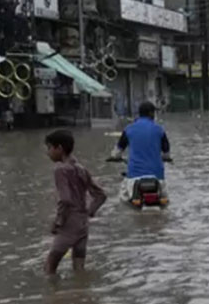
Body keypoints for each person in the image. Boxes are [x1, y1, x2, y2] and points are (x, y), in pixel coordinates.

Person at [45, 130, 107, 275]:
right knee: (79, 267)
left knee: (49, 267)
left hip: (69, 223)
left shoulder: (60, 170)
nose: (48, 153)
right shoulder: (81, 168)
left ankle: (55, 295)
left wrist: (58, 222)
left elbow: (65, 199)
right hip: (83, 224)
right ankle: (81, 292)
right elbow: (101, 195)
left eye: (49, 148)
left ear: (59, 148)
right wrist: (89, 212)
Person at [109, 102, 172, 201]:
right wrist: (166, 158)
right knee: (165, 198)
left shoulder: (128, 129)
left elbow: (117, 151)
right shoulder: (159, 130)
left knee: (122, 197)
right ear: (151, 113)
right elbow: (167, 153)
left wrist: (114, 157)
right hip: (157, 176)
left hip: (134, 176)